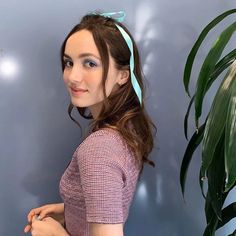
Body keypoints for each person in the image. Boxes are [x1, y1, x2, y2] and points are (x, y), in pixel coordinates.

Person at [24, 10, 156, 236]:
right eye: (68, 62)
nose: (73, 76)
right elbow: (111, 201)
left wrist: (54, 234)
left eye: (90, 63)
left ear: (123, 76)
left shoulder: (99, 149)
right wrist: (71, 210)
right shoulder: (124, 129)